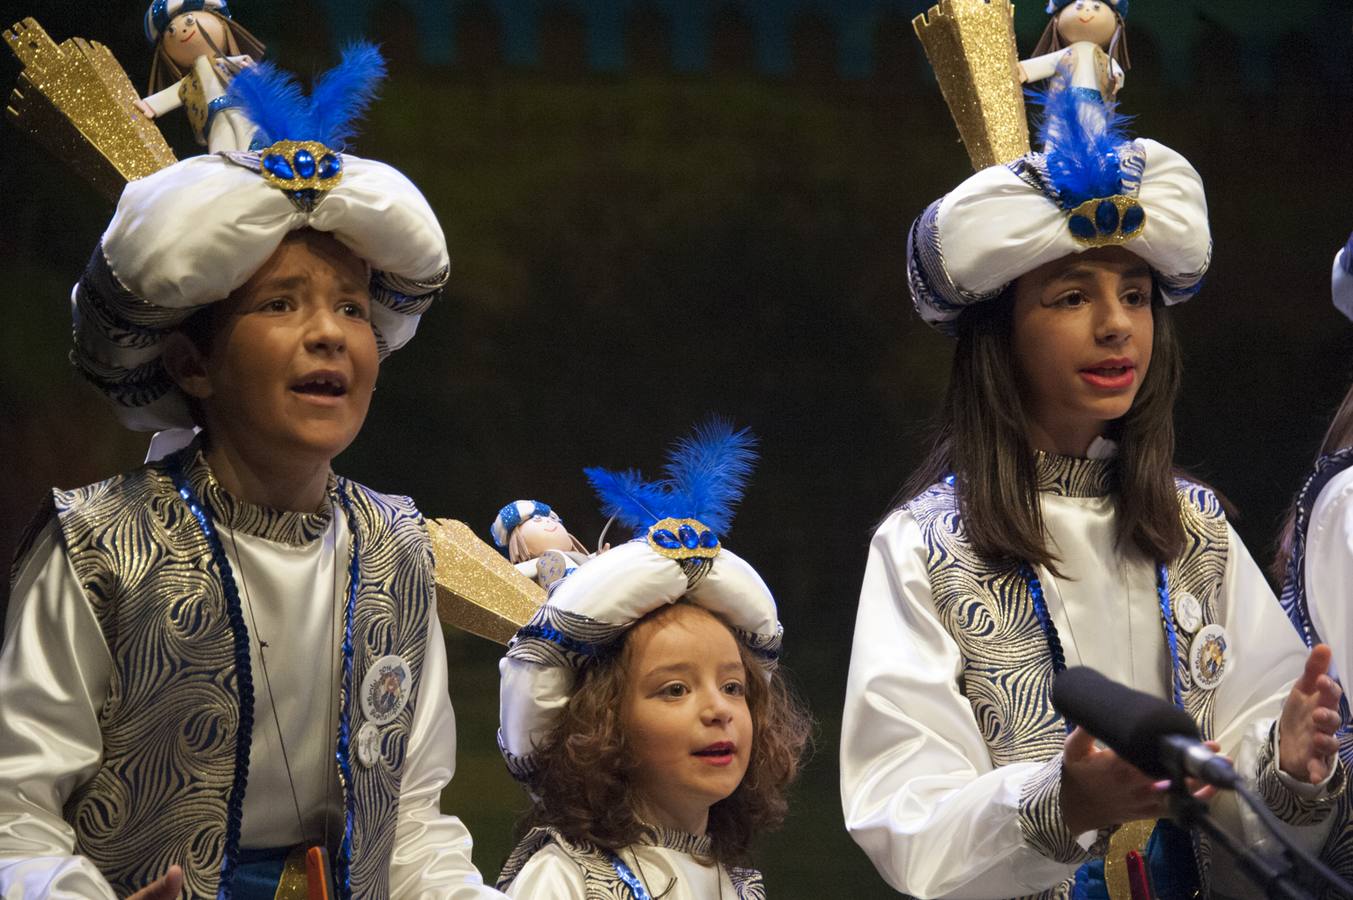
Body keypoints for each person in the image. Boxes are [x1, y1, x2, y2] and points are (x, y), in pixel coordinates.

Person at [0, 47, 501, 899]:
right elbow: (16, 807)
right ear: (194, 364)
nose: (331, 333)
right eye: (281, 304)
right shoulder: (100, 549)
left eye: (351, 306)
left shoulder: (395, 550)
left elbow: (413, 820)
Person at [839, 77, 1345, 899]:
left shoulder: (1192, 527)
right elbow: (900, 809)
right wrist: (1064, 801)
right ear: (999, 333)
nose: (1115, 324)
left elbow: (1257, 774)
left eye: (1135, 296)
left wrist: (1284, 761)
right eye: (1072, 296)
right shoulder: (928, 547)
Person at [494, 423, 811, 898]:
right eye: (675, 689)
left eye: (733, 687)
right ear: (600, 724)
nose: (719, 710)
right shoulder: (563, 878)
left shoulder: (736, 884)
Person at [135, 0, 266, 151]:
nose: (183, 30)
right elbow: (178, 90)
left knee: (249, 134)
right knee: (222, 143)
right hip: (211, 114)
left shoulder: (227, 63)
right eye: (171, 30)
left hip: (240, 106)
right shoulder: (193, 79)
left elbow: (243, 68)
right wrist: (151, 105)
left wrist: (247, 68)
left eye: (189, 21)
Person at [1020, 0, 1130, 103]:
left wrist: (1117, 77)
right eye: (1079, 6)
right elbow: (1049, 62)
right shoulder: (1069, 53)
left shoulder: (1103, 58)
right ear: (1057, 19)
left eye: (1096, 7)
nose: (1087, 10)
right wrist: (1024, 70)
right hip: (1064, 102)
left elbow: (1114, 70)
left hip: (1095, 103)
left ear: (1116, 21)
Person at [491, 499, 591, 590]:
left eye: (552, 519)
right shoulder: (525, 572)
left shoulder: (579, 558)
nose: (548, 521)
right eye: (537, 519)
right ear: (517, 541)